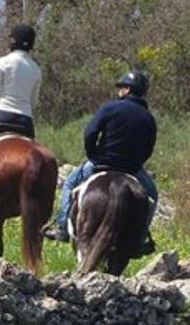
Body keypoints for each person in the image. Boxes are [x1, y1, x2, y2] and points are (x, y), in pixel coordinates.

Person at [47, 70, 158, 257]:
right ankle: (140, 238)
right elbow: (149, 147)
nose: (119, 90)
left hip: (102, 163)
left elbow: (90, 132)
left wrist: (93, 154)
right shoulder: (148, 118)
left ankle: (62, 227)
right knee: (153, 196)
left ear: (127, 90)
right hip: (131, 168)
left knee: (69, 183)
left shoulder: (110, 107)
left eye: (121, 87)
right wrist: (136, 163)